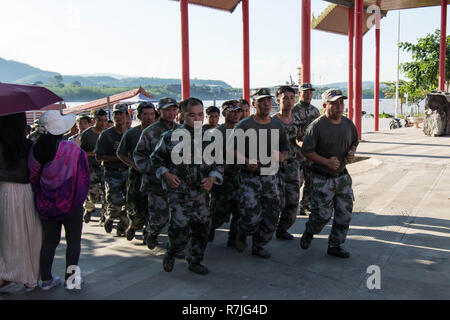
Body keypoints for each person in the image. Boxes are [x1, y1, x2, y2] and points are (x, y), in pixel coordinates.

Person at [150, 97, 223, 275]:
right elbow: (155, 159)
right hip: (178, 192)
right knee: (179, 228)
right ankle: (172, 251)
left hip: (201, 192)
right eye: (192, 115)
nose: (197, 119)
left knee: (202, 227)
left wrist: (212, 179)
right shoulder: (169, 137)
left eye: (200, 115)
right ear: (182, 115)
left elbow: (218, 164)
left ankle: (195, 260)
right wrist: (166, 174)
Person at [28, 110, 90, 290]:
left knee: (49, 242)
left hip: (46, 203)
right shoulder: (71, 149)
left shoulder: (36, 149)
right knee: (74, 242)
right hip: (71, 202)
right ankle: (71, 279)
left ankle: (46, 279)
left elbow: (33, 177)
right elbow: (84, 176)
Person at [300, 89, 358, 259]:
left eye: (341, 103)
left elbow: (354, 141)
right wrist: (325, 161)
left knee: (344, 213)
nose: (339, 107)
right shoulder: (316, 126)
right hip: (321, 178)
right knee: (322, 215)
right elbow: (306, 151)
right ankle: (310, 230)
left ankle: (335, 244)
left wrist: (351, 152)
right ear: (325, 105)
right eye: (334, 104)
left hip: (342, 177)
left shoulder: (348, 124)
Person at [232, 88, 290, 258]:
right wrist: (245, 160)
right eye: (262, 101)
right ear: (254, 104)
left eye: (268, 101)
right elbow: (232, 150)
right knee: (251, 217)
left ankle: (259, 245)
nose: (266, 104)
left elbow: (285, 149)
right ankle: (242, 232)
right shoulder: (244, 125)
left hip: (271, 177)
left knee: (272, 215)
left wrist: (281, 156)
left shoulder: (277, 125)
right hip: (250, 178)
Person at [0, 112, 42, 293]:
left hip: (5, 191)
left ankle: (6, 274)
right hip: (27, 191)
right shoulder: (29, 145)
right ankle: (30, 277)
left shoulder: (1, 146)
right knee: (31, 234)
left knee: (8, 237)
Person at [134, 98, 180, 250]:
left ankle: (176, 246)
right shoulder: (150, 132)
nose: (171, 113)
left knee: (178, 216)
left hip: (177, 182)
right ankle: (152, 232)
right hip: (156, 183)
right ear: (159, 111)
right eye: (167, 110)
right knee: (160, 217)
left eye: (174, 109)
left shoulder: (181, 129)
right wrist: (157, 171)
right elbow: (139, 155)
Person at [117, 102, 157, 241]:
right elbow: (121, 153)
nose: (149, 117)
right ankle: (133, 226)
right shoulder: (131, 134)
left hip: (155, 176)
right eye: (145, 114)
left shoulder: (160, 133)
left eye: (152, 114)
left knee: (154, 207)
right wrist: (134, 165)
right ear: (139, 116)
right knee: (137, 207)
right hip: (137, 176)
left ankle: (149, 232)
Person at [208, 100, 242, 246]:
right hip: (222, 180)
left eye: (238, 111)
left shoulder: (243, 131)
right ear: (224, 113)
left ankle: (233, 239)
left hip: (239, 178)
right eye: (232, 111)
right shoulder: (216, 134)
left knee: (240, 211)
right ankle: (207, 230)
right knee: (219, 214)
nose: (235, 114)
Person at [272, 86, 303, 240]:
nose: (289, 101)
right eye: (285, 98)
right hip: (274, 167)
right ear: (278, 100)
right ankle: (264, 231)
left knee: (292, 201)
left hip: (292, 166)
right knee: (274, 201)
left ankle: (282, 228)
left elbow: (303, 141)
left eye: (292, 98)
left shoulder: (297, 121)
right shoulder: (271, 121)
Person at [95, 103, 129, 237]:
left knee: (128, 202)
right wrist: (118, 158)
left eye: (121, 114)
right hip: (112, 172)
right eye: (116, 114)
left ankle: (122, 226)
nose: (118, 117)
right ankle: (110, 217)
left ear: (127, 116)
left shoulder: (131, 133)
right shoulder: (106, 135)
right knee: (115, 201)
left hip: (128, 172)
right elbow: (98, 156)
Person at [292, 83, 321, 216]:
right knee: (296, 181)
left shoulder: (315, 111)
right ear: (299, 94)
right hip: (296, 153)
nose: (308, 94)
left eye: (310, 92)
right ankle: (291, 205)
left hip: (312, 153)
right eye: (305, 92)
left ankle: (306, 204)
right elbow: (290, 131)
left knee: (311, 180)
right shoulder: (293, 110)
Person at [80, 109, 108, 224]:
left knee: (107, 194)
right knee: (93, 194)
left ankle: (104, 216)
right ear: (94, 120)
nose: (102, 123)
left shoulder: (108, 133)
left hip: (106, 168)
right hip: (91, 168)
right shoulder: (86, 135)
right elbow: (79, 152)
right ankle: (89, 208)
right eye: (100, 120)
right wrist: (94, 153)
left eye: (105, 120)